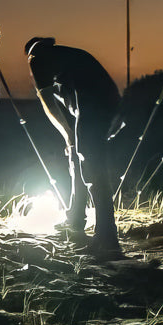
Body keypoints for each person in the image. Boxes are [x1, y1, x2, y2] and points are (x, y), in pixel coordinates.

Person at [25, 37, 122, 253]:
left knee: (89, 161)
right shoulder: (64, 56)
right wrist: (70, 136)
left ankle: (106, 234)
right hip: (103, 102)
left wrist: (67, 134)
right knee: (77, 155)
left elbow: (48, 103)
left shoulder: (37, 58)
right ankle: (76, 217)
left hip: (96, 105)